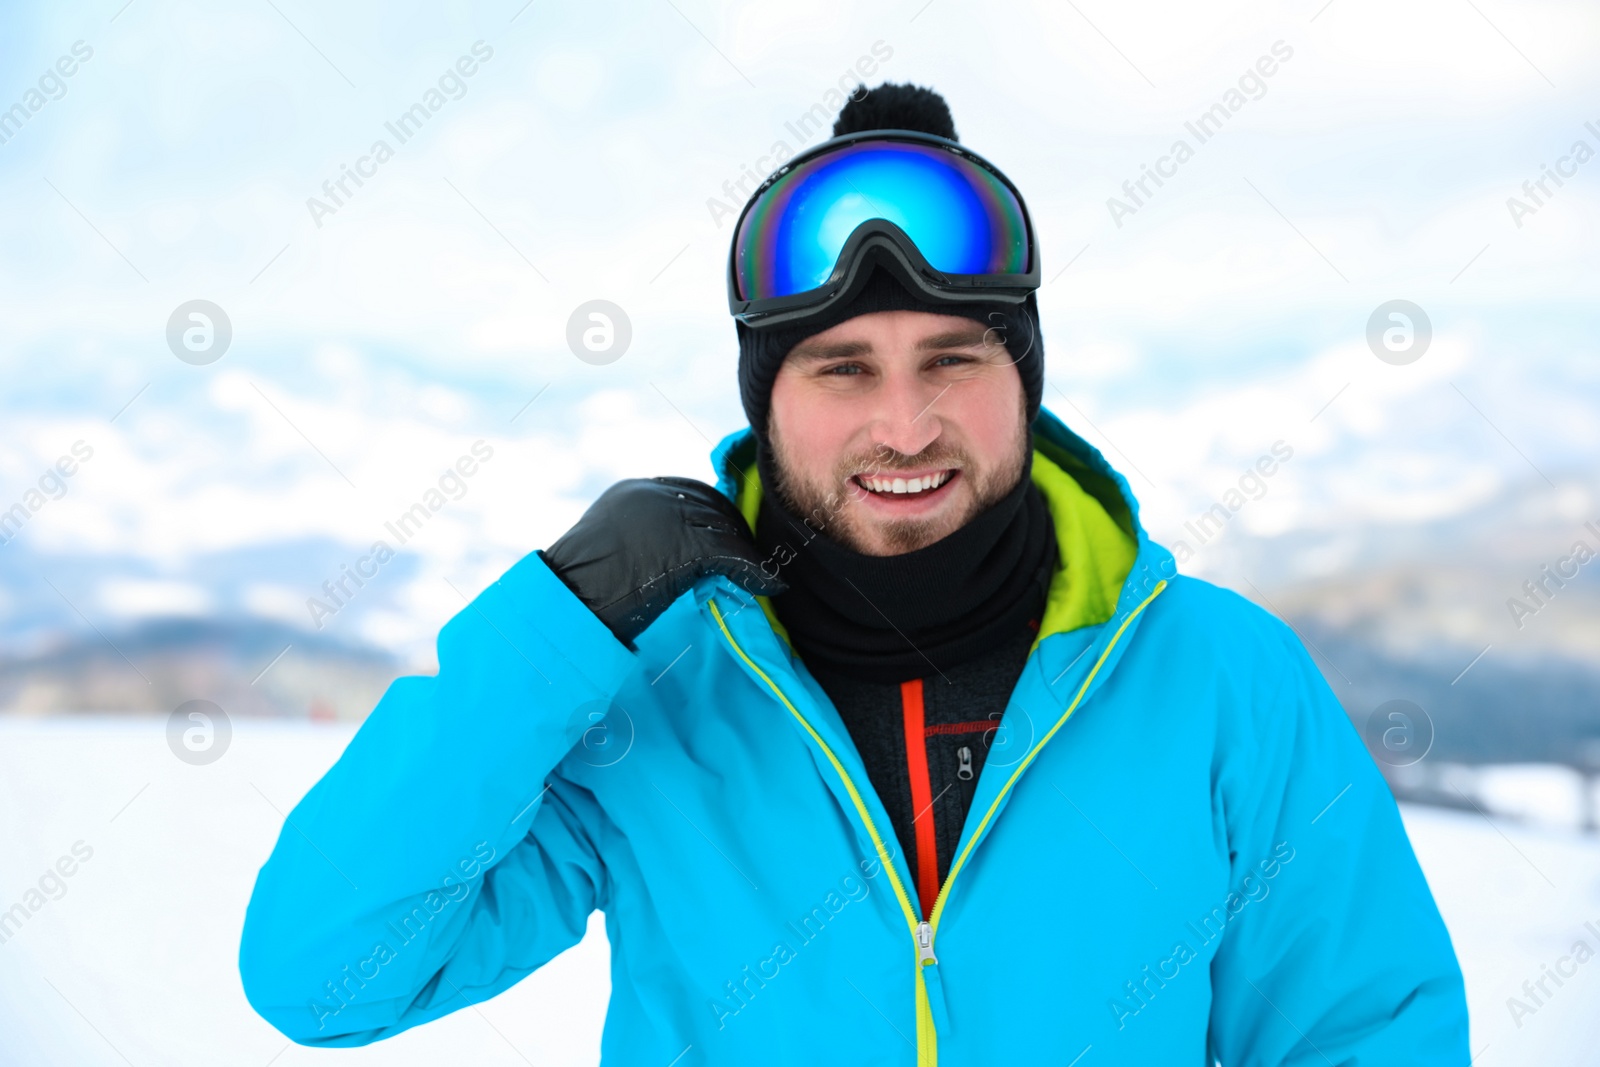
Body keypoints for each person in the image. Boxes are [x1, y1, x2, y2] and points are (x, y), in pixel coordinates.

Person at [240, 84, 1470, 1065]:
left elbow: (1362, 1032)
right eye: (840, 369)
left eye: (953, 358)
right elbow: (325, 974)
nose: (905, 423)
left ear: (1024, 381)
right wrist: (556, 624)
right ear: (765, 401)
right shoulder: (659, 693)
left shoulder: (1219, 677)